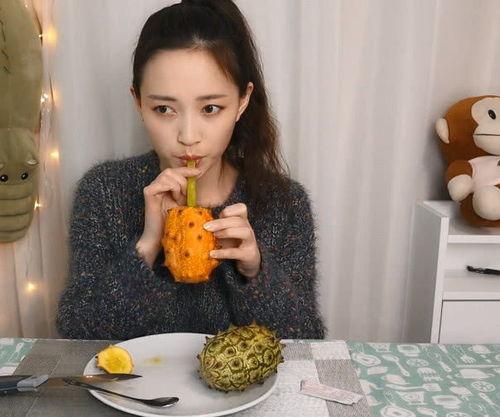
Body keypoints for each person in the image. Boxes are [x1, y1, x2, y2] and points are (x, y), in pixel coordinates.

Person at [56, 0, 325, 340]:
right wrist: (148, 245)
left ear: (242, 101)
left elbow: (307, 341)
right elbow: (75, 331)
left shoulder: (284, 203)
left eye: (210, 108)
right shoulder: (103, 191)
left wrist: (255, 270)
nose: (187, 136)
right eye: (164, 109)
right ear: (138, 102)